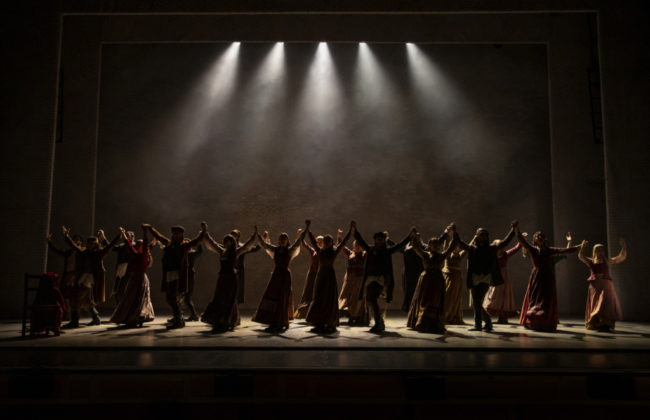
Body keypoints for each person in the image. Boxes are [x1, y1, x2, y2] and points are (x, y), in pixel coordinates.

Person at [515, 226, 581, 331]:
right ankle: (533, 321)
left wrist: (578, 247)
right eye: (538, 236)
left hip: (547, 277)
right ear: (535, 239)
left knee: (546, 299)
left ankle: (545, 322)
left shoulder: (550, 251)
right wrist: (517, 230)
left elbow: (564, 251)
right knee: (534, 298)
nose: (540, 237)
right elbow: (523, 243)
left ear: (544, 239)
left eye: (542, 236)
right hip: (536, 276)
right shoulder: (533, 249)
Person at [456, 221, 518, 332]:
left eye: (485, 235)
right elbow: (460, 243)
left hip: (485, 278)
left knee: (478, 301)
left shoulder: (491, 248)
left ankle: (482, 324)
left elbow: (505, 243)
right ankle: (484, 324)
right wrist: (454, 232)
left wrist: (513, 230)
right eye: (481, 235)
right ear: (477, 236)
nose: (483, 237)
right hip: (475, 277)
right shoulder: (472, 248)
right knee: (477, 301)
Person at [354, 224, 416, 333]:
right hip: (370, 278)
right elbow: (361, 241)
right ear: (375, 240)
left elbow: (399, 245)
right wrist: (355, 230)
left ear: (383, 240)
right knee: (369, 299)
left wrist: (409, 236)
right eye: (377, 239)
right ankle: (379, 322)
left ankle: (379, 322)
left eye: (381, 239)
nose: (379, 241)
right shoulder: (370, 249)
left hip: (380, 279)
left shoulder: (387, 251)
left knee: (372, 298)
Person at [145, 223, 205, 329]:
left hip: (178, 275)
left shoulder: (184, 245)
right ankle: (179, 319)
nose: (175, 235)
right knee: (170, 298)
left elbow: (196, 241)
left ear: (181, 234)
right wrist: (150, 228)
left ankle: (179, 320)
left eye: (177, 233)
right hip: (169, 273)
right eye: (174, 233)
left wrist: (204, 232)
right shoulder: (169, 243)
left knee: (172, 297)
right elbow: (159, 236)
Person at [252, 222, 308, 333]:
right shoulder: (275, 249)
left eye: (284, 238)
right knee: (272, 297)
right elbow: (264, 245)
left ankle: (281, 321)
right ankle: (273, 320)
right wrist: (257, 234)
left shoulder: (290, 251)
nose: (282, 240)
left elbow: (299, 241)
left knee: (282, 298)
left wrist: (306, 228)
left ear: (287, 241)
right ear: (279, 240)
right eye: (281, 238)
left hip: (285, 277)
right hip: (276, 276)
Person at [201, 223, 257, 333]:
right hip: (222, 278)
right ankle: (219, 320)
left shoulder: (236, 252)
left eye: (229, 241)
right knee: (219, 299)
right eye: (226, 241)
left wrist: (254, 235)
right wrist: (205, 232)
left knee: (229, 300)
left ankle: (227, 321)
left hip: (231, 279)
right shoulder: (222, 251)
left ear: (233, 243)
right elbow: (212, 243)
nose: (227, 243)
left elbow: (247, 246)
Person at [62, 226, 121, 327]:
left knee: (76, 297)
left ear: (96, 244)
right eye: (89, 243)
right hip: (83, 277)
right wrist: (67, 236)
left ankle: (75, 321)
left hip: (90, 279)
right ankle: (96, 318)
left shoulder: (99, 253)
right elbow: (74, 247)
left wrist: (118, 236)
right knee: (86, 300)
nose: (90, 245)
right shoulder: (84, 252)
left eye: (93, 244)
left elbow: (109, 246)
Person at [407, 225, 458, 334]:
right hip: (426, 280)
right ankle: (422, 323)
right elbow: (416, 248)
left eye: (436, 244)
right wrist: (415, 236)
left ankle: (433, 324)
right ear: (429, 245)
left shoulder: (441, 256)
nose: (435, 246)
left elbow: (451, 246)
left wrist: (454, 233)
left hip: (438, 281)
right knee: (424, 301)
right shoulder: (425, 255)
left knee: (435, 301)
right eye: (432, 244)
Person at [305, 222, 353, 333]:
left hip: (329, 277)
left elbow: (343, 243)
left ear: (331, 243)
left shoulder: (334, 251)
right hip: (321, 275)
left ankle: (330, 322)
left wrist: (350, 230)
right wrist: (308, 229)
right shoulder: (320, 251)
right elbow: (312, 241)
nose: (326, 242)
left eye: (328, 241)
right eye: (325, 241)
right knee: (318, 298)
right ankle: (319, 322)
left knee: (329, 299)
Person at [110, 226, 155, 328]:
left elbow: (145, 245)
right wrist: (123, 234)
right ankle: (131, 317)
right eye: (137, 245)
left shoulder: (144, 256)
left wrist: (144, 233)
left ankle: (140, 317)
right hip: (133, 278)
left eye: (139, 245)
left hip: (141, 279)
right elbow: (128, 245)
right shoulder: (135, 254)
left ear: (143, 247)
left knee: (141, 299)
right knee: (131, 298)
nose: (137, 246)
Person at [578, 238, 627, 332]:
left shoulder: (607, 261)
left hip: (606, 284)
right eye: (598, 250)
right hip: (595, 286)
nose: (600, 252)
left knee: (605, 302)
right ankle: (597, 323)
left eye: (601, 250)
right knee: (596, 303)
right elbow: (581, 256)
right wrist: (582, 247)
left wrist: (623, 247)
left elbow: (620, 258)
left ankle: (606, 322)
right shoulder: (591, 261)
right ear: (594, 251)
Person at [46, 232, 83, 323]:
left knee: (74, 298)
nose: (76, 241)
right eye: (75, 240)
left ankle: (74, 318)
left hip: (76, 277)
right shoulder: (69, 252)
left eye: (78, 240)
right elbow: (58, 250)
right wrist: (49, 242)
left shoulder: (82, 251)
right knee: (65, 295)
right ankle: (67, 314)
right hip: (68, 276)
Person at [482, 240, 522, 324]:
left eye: (501, 247)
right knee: (494, 295)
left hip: (504, 277)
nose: (500, 249)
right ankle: (486, 315)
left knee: (504, 296)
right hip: (495, 276)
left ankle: (503, 317)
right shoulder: (492, 255)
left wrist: (521, 240)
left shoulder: (505, 254)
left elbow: (515, 249)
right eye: (498, 247)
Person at [338, 236, 368, 326]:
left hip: (359, 280)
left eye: (359, 245)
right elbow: (342, 247)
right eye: (356, 245)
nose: (357, 247)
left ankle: (354, 316)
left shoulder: (365, 254)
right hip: (350, 279)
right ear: (354, 246)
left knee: (357, 298)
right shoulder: (351, 253)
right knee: (347, 296)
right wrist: (339, 238)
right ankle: (347, 314)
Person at [294, 233, 323, 319]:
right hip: (312, 274)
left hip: (320, 274)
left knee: (319, 293)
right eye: (318, 241)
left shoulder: (325, 251)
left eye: (321, 242)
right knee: (309, 292)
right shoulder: (313, 250)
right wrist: (300, 236)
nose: (319, 243)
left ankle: (319, 312)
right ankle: (306, 312)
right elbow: (305, 245)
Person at [230, 229, 262, 304]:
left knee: (237, 291)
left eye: (235, 235)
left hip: (239, 271)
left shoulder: (242, 247)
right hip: (229, 271)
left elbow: (255, 249)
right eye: (232, 235)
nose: (233, 237)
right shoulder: (227, 246)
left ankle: (235, 311)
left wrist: (262, 241)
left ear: (238, 237)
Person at [442, 241, 467, 325]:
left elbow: (467, 249)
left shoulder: (459, 255)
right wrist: (447, 237)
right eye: (455, 246)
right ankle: (446, 315)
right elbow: (445, 248)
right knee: (448, 296)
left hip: (457, 279)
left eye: (458, 247)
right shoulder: (448, 255)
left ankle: (454, 315)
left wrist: (474, 239)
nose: (457, 248)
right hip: (450, 278)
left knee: (456, 297)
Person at [109, 230, 136, 304]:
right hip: (121, 269)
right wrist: (103, 238)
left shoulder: (135, 245)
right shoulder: (122, 246)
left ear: (133, 238)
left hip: (130, 269)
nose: (127, 237)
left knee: (128, 288)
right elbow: (111, 247)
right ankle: (120, 306)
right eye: (126, 235)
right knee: (118, 289)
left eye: (130, 235)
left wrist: (153, 243)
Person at [181, 244, 203, 322]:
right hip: (182, 276)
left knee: (187, 297)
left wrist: (199, 243)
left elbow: (199, 251)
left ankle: (194, 315)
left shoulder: (191, 254)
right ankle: (191, 315)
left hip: (189, 276)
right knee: (183, 297)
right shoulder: (182, 253)